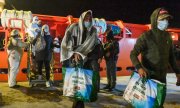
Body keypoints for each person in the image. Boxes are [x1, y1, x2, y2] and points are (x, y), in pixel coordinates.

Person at [130, 8, 180, 107]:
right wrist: (139, 68)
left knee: (159, 102)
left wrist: (178, 73)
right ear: (155, 20)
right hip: (149, 78)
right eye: (163, 19)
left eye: (167, 19)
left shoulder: (168, 37)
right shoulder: (146, 36)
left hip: (162, 78)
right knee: (148, 104)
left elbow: (171, 57)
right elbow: (133, 54)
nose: (165, 22)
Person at [61, 10, 99, 108]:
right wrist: (74, 53)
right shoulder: (73, 27)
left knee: (83, 84)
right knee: (75, 83)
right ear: (82, 18)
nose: (88, 20)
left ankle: (79, 103)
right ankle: (78, 104)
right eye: (86, 18)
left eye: (90, 18)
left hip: (88, 61)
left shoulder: (93, 30)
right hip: (74, 60)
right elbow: (66, 42)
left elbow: (94, 45)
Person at [103, 25, 119, 91]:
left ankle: (112, 86)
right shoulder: (106, 43)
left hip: (112, 59)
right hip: (107, 60)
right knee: (108, 72)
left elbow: (117, 51)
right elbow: (104, 50)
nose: (106, 35)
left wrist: (110, 53)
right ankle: (108, 84)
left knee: (112, 73)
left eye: (108, 33)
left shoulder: (115, 42)